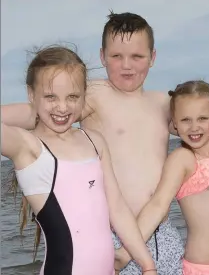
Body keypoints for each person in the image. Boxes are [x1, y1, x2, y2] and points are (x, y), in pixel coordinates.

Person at [2, 12, 209, 274]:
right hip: (116, 235)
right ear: (102, 56)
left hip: (162, 234)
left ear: (153, 57)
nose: (127, 65)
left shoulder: (161, 103)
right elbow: (38, 111)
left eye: (137, 56)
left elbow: (204, 127)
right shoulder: (95, 96)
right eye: (116, 56)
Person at [1, 45, 158, 275]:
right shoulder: (28, 147)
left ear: (85, 95)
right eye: (50, 96)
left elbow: (117, 208)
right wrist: (33, 111)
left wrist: (147, 264)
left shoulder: (94, 140)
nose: (62, 107)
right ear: (31, 94)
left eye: (73, 96)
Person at [134, 80, 209, 275]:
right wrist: (130, 249)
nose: (194, 127)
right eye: (185, 120)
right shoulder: (182, 159)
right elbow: (158, 205)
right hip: (205, 267)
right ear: (175, 123)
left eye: (202, 118)